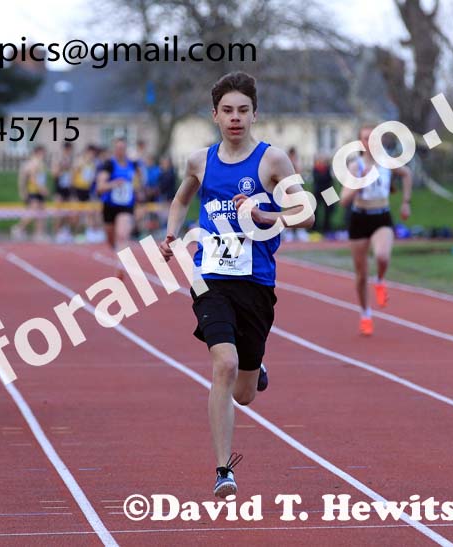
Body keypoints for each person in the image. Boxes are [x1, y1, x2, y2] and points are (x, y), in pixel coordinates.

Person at [160, 72, 314, 498]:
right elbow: (180, 200)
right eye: (227, 110)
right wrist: (172, 235)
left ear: (254, 114)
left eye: (242, 110)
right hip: (210, 276)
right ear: (214, 115)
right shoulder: (199, 161)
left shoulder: (273, 161)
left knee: (244, 393)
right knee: (223, 364)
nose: (235, 118)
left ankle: (256, 367)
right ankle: (223, 469)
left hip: (256, 281)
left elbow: (307, 216)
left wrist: (265, 216)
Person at [340, 125, 412, 336]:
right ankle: (365, 314)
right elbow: (344, 200)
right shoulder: (356, 166)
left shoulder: (387, 162)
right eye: (365, 138)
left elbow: (407, 174)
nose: (369, 142)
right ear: (359, 142)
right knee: (361, 274)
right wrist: (359, 182)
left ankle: (380, 280)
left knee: (382, 255)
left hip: (382, 216)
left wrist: (406, 202)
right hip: (360, 218)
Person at [95, 137, 140, 275]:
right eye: (118, 148)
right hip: (109, 206)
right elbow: (100, 187)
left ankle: (120, 267)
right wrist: (114, 184)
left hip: (126, 206)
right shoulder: (108, 165)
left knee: (122, 235)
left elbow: (139, 183)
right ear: (114, 150)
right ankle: (119, 252)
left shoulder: (133, 165)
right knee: (111, 239)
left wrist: (139, 192)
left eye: (123, 148)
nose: (121, 151)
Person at [11, 145, 49, 242]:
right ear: (37, 153)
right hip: (33, 191)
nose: (44, 155)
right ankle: (18, 228)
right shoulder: (33, 163)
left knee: (41, 213)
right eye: (42, 153)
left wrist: (42, 188)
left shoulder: (41, 164)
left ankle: (39, 233)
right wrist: (41, 189)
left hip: (39, 191)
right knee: (32, 212)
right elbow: (32, 178)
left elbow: (41, 178)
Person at [52, 142, 75, 243]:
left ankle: (65, 231)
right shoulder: (58, 159)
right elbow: (54, 174)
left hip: (68, 189)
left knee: (69, 212)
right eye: (68, 150)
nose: (69, 152)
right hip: (59, 189)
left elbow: (73, 173)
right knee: (59, 213)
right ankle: (57, 233)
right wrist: (62, 167)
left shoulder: (72, 160)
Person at [311, 154, 335, 235]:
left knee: (329, 211)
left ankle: (327, 228)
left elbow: (331, 180)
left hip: (328, 191)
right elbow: (319, 179)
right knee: (315, 211)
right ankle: (315, 229)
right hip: (318, 191)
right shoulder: (316, 169)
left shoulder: (328, 168)